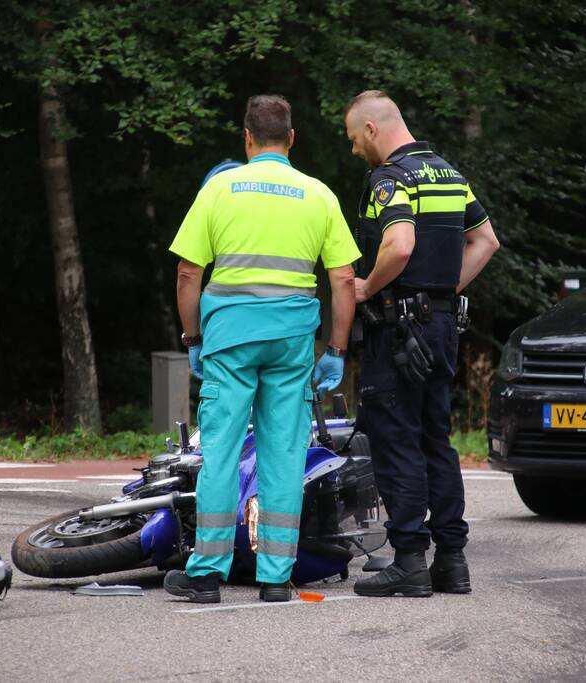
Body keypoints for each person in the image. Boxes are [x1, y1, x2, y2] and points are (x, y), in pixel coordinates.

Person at [163, 95, 360, 604]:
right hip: (292, 342)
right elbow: (341, 279)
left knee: (222, 451)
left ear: (246, 137)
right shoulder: (317, 194)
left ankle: (206, 574)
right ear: (291, 139)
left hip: (228, 339)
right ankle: (275, 577)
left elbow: (188, 273)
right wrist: (336, 347)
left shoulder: (219, 189)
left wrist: (192, 338)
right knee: (283, 453)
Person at [343, 90, 499, 597]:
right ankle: (451, 561)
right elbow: (486, 240)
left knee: (396, 439)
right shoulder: (449, 174)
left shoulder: (390, 177)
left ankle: (409, 560)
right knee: (437, 438)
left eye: (352, 139)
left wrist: (369, 286)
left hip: (399, 330)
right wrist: (446, 290)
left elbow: (400, 242)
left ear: (371, 130)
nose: (353, 152)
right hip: (441, 326)